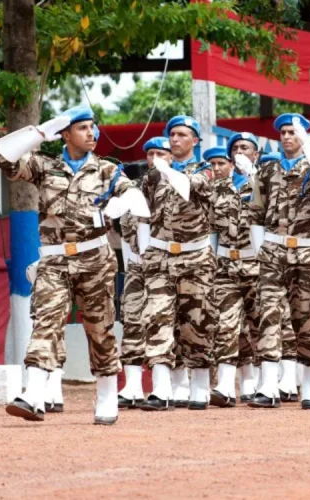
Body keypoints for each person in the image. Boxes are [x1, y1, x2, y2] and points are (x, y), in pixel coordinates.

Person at [0, 106, 143, 425]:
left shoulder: (106, 169)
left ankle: (106, 393)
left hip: (94, 259)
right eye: (83, 128)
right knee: (45, 320)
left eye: (93, 127)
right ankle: (33, 395)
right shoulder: (44, 166)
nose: (92, 133)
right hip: (54, 258)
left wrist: (117, 206)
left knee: (99, 328)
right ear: (65, 133)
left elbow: (136, 199)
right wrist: (39, 133)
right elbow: (3, 157)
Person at [249, 113, 310, 409]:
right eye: (283, 132)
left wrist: (306, 138)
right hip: (274, 250)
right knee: (269, 313)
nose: (287, 137)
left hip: (308, 252)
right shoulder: (268, 166)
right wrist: (261, 249)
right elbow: (256, 209)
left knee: (307, 316)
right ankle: (269, 386)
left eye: (293, 132)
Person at [138, 115, 215, 411]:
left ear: (195, 141)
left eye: (182, 135)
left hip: (195, 257)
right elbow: (143, 211)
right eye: (172, 135)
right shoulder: (153, 176)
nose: (175, 139)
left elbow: (191, 185)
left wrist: (166, 170)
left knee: (196, 321)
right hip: (160, 256)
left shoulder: (206, 171)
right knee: (156, 317)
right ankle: (160, 388)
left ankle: (198, 385)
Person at [204, 134, 262, 407]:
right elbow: (212, 230)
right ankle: (226, 385)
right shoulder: (219, 189)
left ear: (255, 154)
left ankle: (260, 381)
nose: (239, 152)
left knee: (259, 325)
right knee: (226, 324)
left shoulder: (265, 183)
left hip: (259, 266)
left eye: (245, 148)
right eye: (235, 149)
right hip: (226, 266)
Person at [117, 138, 171, 409]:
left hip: (168, 266)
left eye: (160, 153)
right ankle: (133, 386)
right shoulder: (133, 190)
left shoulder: (178, 188)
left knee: (163, 323)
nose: (154, 158)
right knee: (132, 321)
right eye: (150, 153)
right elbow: (125, 231)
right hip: (138, 266)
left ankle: (166, 387)